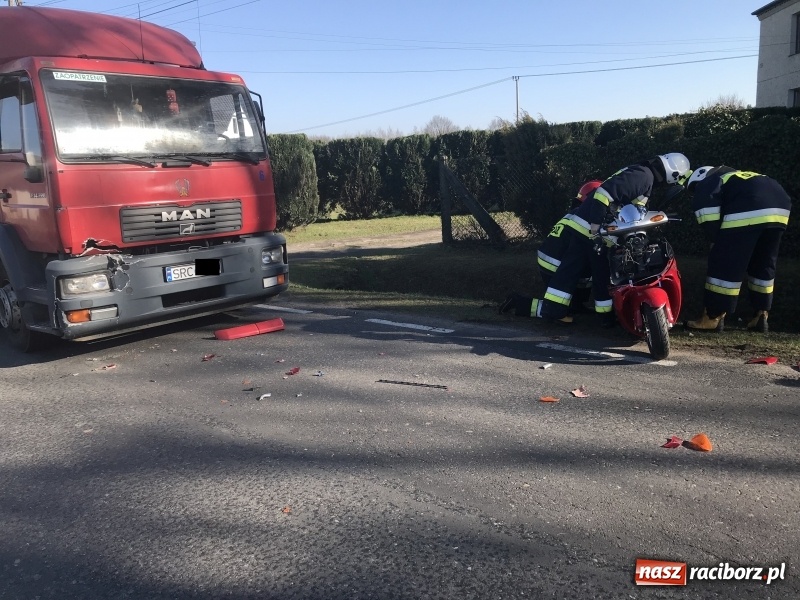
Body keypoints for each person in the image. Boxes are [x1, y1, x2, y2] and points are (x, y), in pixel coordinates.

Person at [525, 153, 691, 327]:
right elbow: (603, 195)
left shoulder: (642, 174)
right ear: (672, 174)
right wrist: (596, 226)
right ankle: (594, 317)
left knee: (584, 272)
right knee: (590, 273)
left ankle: (571, 314)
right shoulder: (643, 176)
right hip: (592, 229)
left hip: (589, 229)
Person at [683, 166, 792, 333]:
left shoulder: (709, 181)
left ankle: (712, 317)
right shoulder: (740, 176)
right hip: (779, 210)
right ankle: (761, 315)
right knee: (763, 264)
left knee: (724, 266)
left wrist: (716, 240)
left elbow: (707, 213)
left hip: (748, 210)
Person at [499, 180, 602, 321]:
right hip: (557, 264)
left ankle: (575, 305)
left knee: (581, 273)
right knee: (557, 309)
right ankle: (519, 303)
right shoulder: (588, 217)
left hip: (550, 259)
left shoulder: (576, 213)